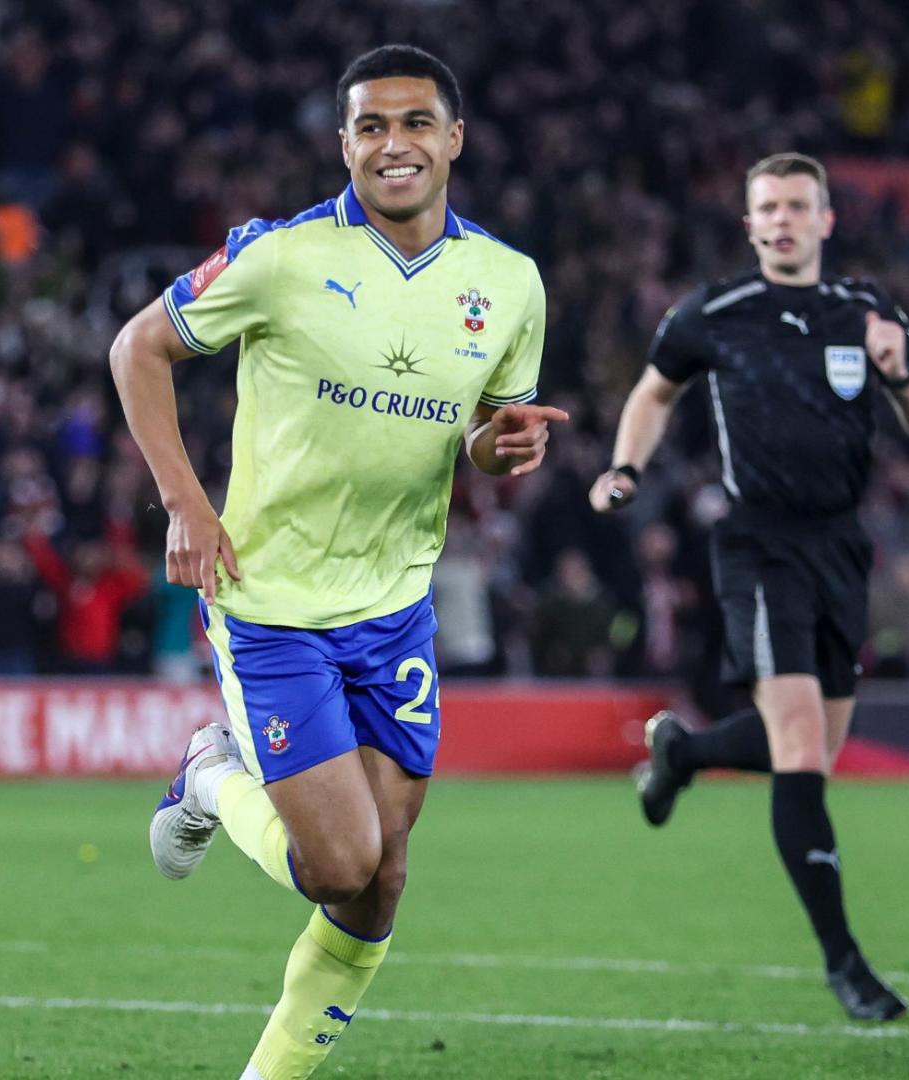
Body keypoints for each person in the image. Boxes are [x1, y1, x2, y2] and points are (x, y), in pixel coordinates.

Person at [113, 45, 565, 1079]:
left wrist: (497, 449)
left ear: (455, 138)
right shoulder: (280, 256)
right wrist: (184, 500)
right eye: (371, 126)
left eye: (416, 123)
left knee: (382, 880)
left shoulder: (509, 284)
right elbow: (137, 347)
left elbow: (485, 431)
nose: (394, 144)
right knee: (338, 864)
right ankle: (211, 773)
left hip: (394, 604)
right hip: (271, 601)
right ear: (344, 144)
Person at [591, 151, 909, 1022]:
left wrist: (901, 370)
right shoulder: (714, 312)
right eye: (768, 208)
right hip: (759, 543)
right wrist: (625, 469)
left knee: (814, 749)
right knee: (798, 745)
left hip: (841, 547)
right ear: (750, 224)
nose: (783, 220)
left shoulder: (867, 311)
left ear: (826, 220)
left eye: (797, 205)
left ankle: (683, 753)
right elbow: (652, 393)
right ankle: (846, 964)